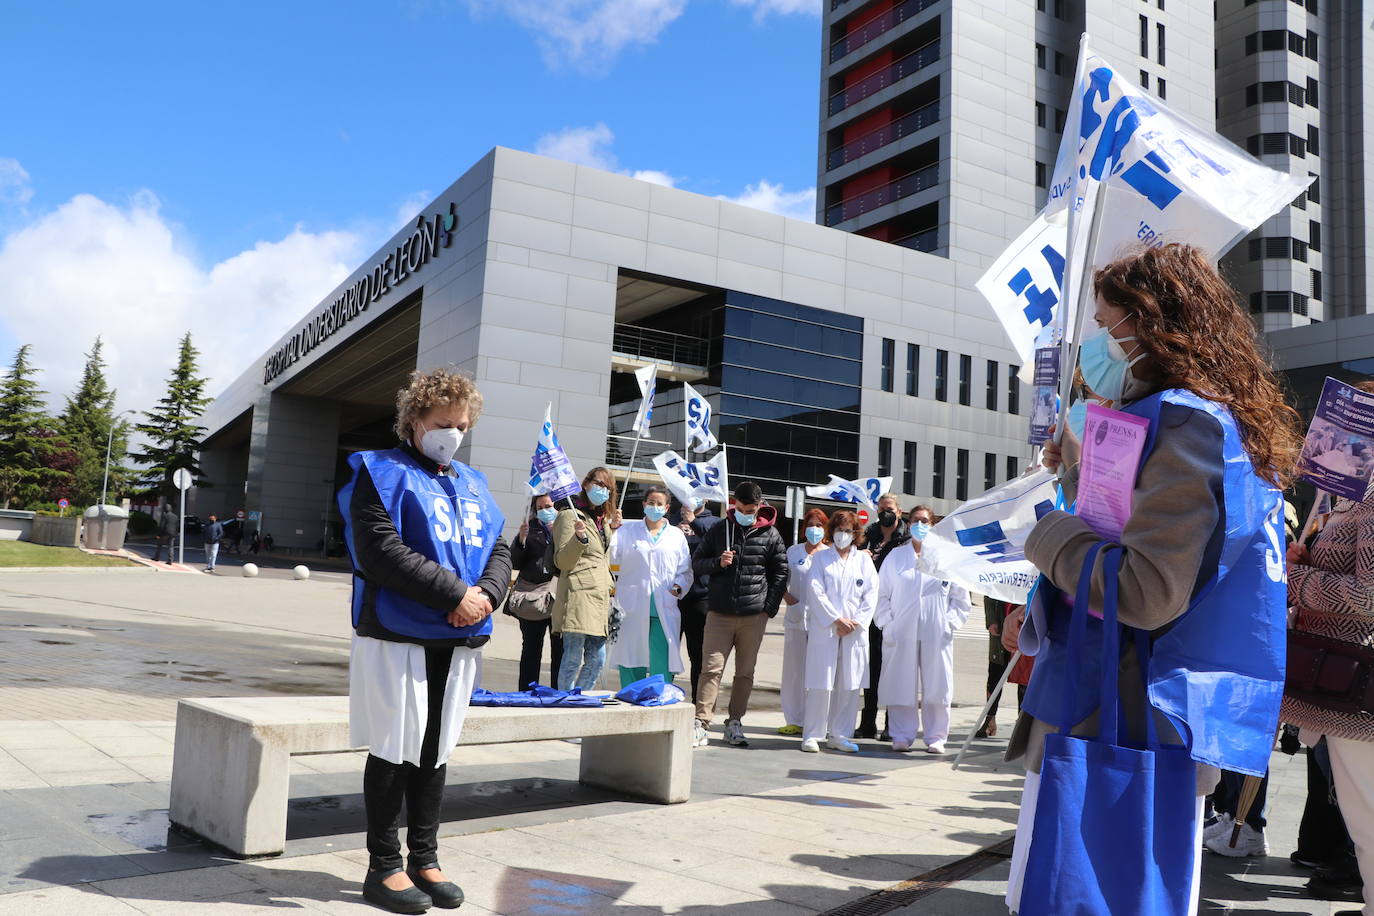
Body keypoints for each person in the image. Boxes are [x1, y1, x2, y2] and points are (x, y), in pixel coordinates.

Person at [1005, 245, 1301, 914]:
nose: (1100, 344)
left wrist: (1044, 532)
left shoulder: (1187, 425)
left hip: (1123, 707)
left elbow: (1146, 588)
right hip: (1122, 703)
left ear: (1153, 327)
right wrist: (1080, 474)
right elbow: (1127, 527)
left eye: (1110, 327)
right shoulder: (1189, 419)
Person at [337, 367, 511, 914]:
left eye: (461, 425)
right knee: (395, 745)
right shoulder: (380, 471)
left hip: (457, 637)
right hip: (398, 633)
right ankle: (383, 866)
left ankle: (424, 857)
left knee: (435, 748)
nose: (452, 434)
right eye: (442, 423)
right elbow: (380, 549)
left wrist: (486, 595)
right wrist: (454, 595)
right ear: (414, 420)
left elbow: (499, 548)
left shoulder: (472, 482)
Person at [1282, 378, 1374, 916]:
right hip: (1339, 687)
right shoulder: (1348, 495)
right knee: (1361, 819)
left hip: (1355, 689)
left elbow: (1369, 597)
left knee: (1367, 820)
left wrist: (1295, 583)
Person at [691, 481, 789, 748]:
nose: (745, 512)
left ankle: (734, 722)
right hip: (719, 613)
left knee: (745, 673)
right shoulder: (719, 529)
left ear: (759, 506)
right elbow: (697, 563)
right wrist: (717, 563)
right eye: (741, 508)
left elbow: (781, 573)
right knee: (710, 669)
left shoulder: (771, 534)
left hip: (753, 616)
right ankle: (701, 722)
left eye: (750, 508)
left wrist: (768, 609)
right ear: (734, 504)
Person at [875, 504, 971, 754]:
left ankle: (936, 736)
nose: (920, 525)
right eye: (916, 520)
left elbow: (960, 598)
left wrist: (950, 623)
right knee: (901, 683)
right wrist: (888, 624)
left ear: (933, 525)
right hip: (901, 631)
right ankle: (901, 735)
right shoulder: (896, 557)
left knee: (938, 684)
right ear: (908, 523)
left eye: (925, 521)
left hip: (937, 632)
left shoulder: (946, 557)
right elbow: (881, 594)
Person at [801, 509, 877, 754]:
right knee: (821, 682)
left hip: (854, 631)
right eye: (838, 530)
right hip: (827, 629)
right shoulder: (821, 559)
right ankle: (812, 734)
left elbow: (871, 595)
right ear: (831, 531)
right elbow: (815, 591)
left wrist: (855, 622)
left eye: (847, 531)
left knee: (849, 683)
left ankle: (840, 734)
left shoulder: (864, 561)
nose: (842, 535)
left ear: (855, 534)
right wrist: (836, 619)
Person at [609, 485, 693, 687]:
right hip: (632, 606)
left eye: (659, 504)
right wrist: (611, 530)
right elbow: (611, 558)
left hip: (663, 605)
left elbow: (685, 570)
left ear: (667, 508)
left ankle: (658, 699)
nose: (654, 507)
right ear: (643, 504)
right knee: (631, 657)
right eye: (651, 503)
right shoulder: (626, 531)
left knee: (661, 659)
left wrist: (678, 587)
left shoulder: (676, 535)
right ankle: (630, 698)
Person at [552, 468, 621, 691]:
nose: (602, 490)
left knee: (597, 659)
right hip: (579, 594)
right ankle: (566, 700)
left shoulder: (601, 520)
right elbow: (562, 560)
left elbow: (601, 556)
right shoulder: (569, 515)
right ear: (586, 483)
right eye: (598, 484)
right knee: (573, 656)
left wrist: (612, 530)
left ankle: (579, 697)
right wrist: (579, 538)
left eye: (607, 487)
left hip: (599, 596)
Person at [856, 493, 909, 740]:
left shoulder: (906, 538)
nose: (884, 512)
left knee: (893, 669)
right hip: (870, 610)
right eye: (881, 508)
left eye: (889, 508)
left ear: (899, 511)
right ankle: (868, 722)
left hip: (895, 610)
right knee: (872, 668)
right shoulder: (869, 535)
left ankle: (891, 724)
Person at [779, 508, 830, 736]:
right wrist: (789, 600)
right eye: (811, 524)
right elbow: (779, 579)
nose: (815, 529)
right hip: (796, 618)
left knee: (818, 671)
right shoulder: (793, 551)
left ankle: (816, 720)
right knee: (794, 672)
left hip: (821, 622)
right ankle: (795, 719)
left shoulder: (829, 554)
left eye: (819, 525)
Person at [508, 494, 562, 690]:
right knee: (531, 648)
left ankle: (558, 691)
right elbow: (515, 562)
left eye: (548, 506)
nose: (545, 510)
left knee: (560, 649)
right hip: (533, 596)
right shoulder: (530, 528)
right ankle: (527, 691)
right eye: (540, 507)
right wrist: (521, 539)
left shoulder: (566, 525)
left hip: (558, 594)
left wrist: (558, 534)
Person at [676, 499, 720, 702]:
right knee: (666, 655)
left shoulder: (716, 523)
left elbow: (718, 548)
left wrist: (694, 522)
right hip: (671, 598)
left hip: (701, 599)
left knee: (699, 658)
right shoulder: (670, 519)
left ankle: (697, 707)